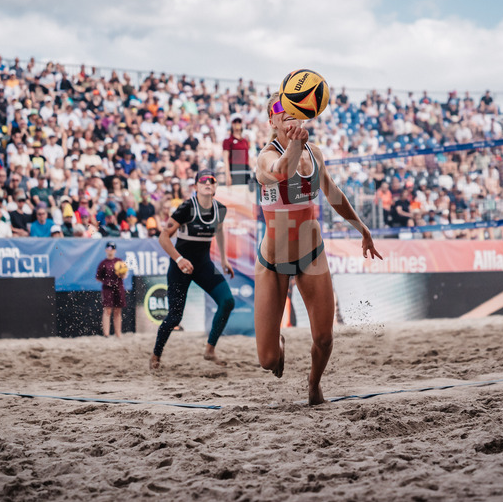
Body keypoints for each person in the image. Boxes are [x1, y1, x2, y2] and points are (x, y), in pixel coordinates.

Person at [254, 91, 381, 405]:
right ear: (272, 120)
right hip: (273, 262)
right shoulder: (266, 157)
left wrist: (362, 228)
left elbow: (334, 195)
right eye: (279, 110)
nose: (286, 113)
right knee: (268, 361)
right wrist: (295, 143)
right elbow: (282, 171)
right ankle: (278, 345)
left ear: (301, 115)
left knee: (324, 339)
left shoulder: (316, 153)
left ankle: (314, 384)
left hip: (312, 257)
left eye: (292, 109)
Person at [150, 168, 235, 370]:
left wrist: (224, 259)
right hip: (181, 266)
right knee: (174, 317)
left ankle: (209, 350)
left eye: (212, 180)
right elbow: (163, 237)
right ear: (196, 186)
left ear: (215, 187)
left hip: (203, 264)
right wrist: (179, 259)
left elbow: (220, 230)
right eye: (203, 180)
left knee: (228, 302)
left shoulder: (220, 209)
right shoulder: (186, 208)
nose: (208, 183)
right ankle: (155, 355)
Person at [95, 242, 127, 338]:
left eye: (112, 248)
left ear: (115, 250)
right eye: (108, 248)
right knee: (107, 310)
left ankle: (118, 334)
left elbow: (124, 275)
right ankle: (106, 334)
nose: (110, 250)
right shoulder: (103, 263)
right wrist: (107, 281)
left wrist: (121, 274)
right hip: (107, 288)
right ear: (106, 250)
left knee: (118, 311)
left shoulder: (119, 262)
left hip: (118, 287)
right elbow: (98, 277)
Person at [222, 115, 252, 187]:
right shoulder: (228, 141)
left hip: (245, 169)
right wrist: (228, 175)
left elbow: (248, 157)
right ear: (232, 124)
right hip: (234, 169)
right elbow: (225, 158)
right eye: (235, 122)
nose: (237, 124)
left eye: (239, 122)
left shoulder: (245, 141)